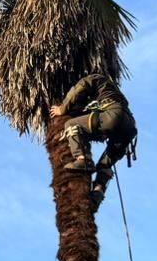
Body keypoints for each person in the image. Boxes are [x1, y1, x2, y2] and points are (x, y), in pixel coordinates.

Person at [50, 71, 137, 208]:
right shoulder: (112, 91)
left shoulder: (95, 78)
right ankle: (98, 192)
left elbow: (81, 87)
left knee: (71, 125)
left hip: (113, 115)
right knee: (105, 165)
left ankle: (82, 159)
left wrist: (62, 109)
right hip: (129, 127)